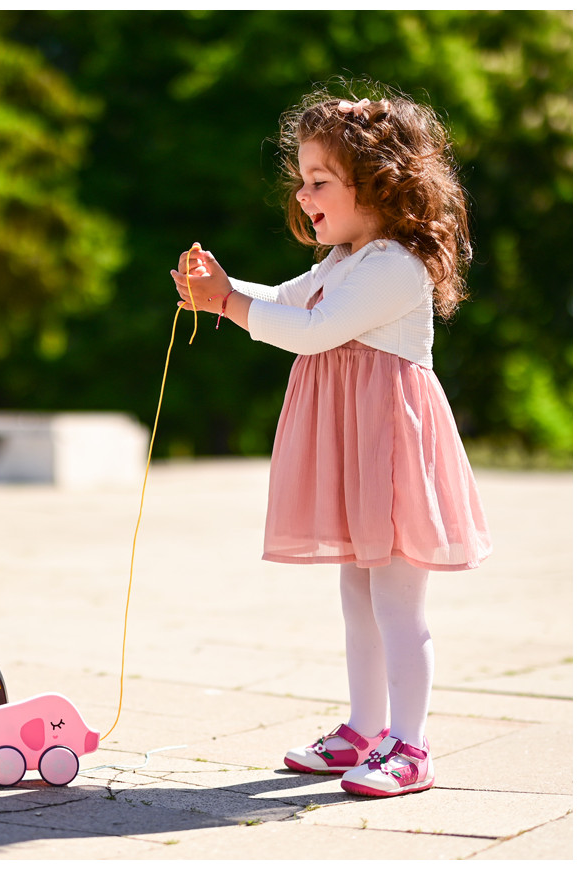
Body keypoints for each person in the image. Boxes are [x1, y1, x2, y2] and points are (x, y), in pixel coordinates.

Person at [170, 87, 491, 798]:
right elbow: (285, 300)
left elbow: (313, 332)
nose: (303, 194)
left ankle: (411, 744)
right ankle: (365, 728)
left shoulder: (395, 265)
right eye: (302, 179)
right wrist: (221, 289)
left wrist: (228, 304)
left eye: (320, 180)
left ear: (376, 183)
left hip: (390, 453)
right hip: (357, 452)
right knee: (357, 594)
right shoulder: (343, 260)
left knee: (397, 603)